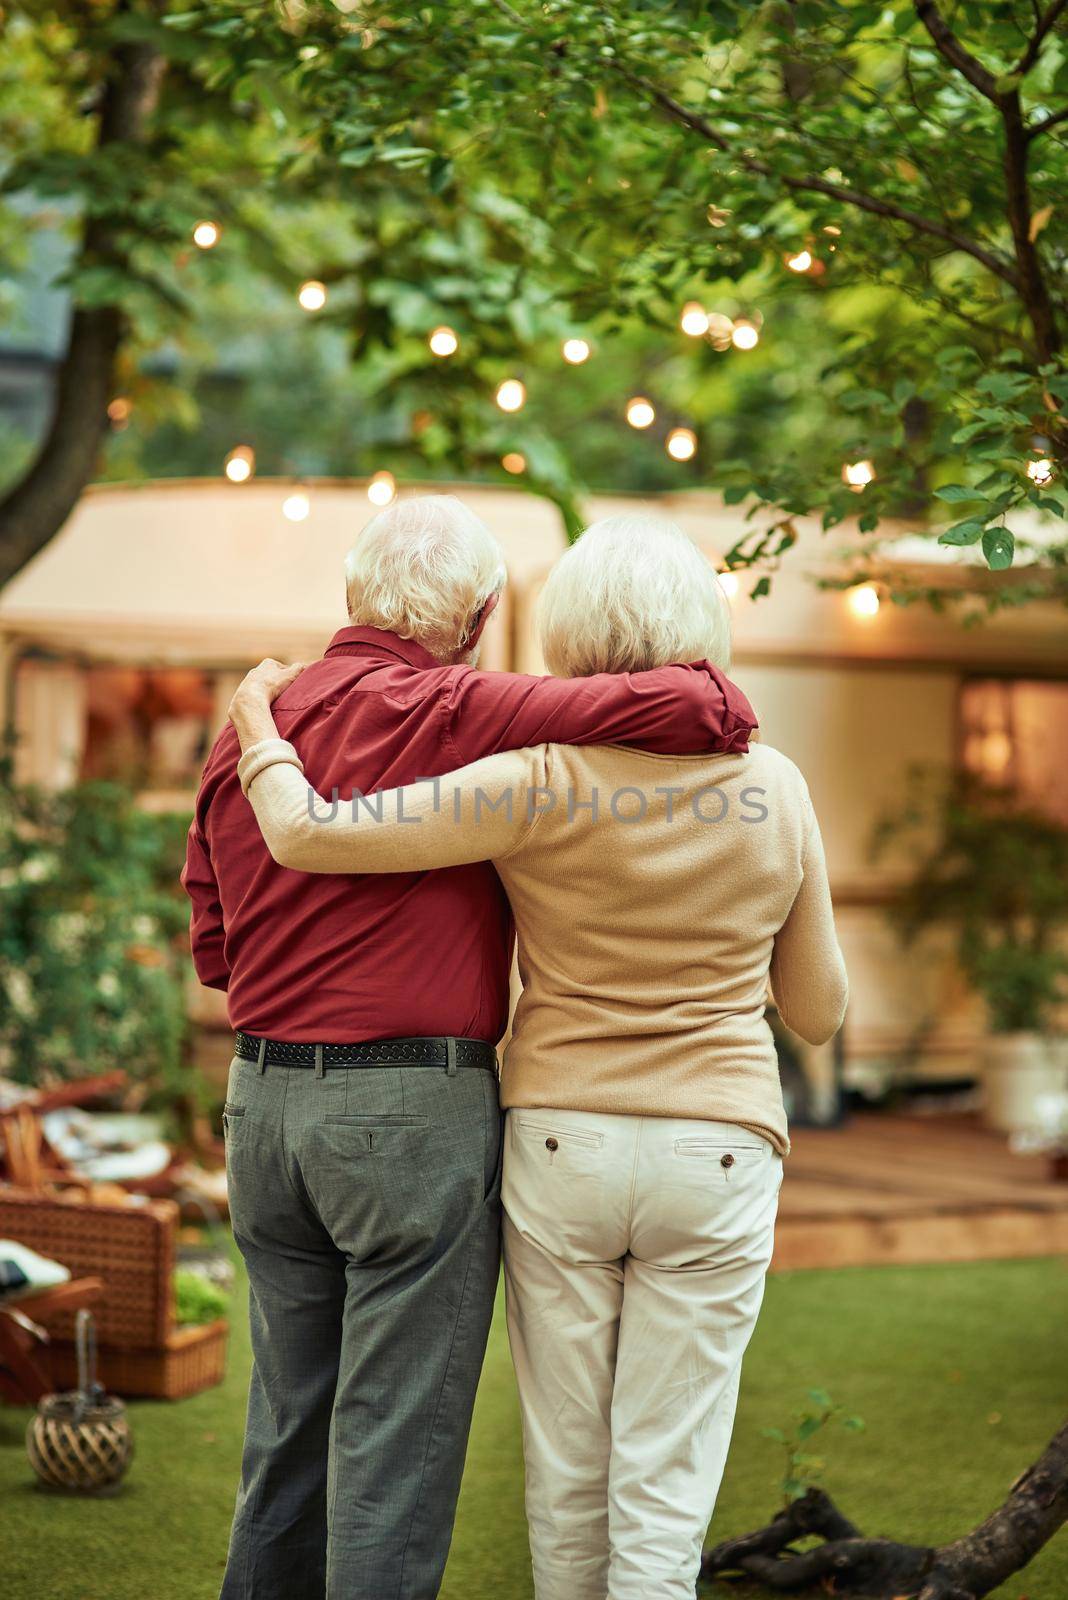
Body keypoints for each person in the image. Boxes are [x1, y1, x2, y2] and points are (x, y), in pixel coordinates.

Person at [228, 513, 849, 1600]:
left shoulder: (531, 779)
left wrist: (254, 721)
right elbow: (816, 1011)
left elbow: (317, 833)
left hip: (561, 1138)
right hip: (719, 1148)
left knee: (566, 1472)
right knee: (666, 1479)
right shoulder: (779, 790)